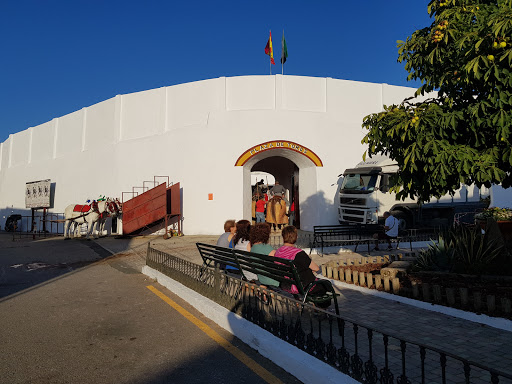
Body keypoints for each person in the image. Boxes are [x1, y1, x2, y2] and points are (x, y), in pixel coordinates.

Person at [274, 226, 328, 305]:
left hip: (285, 284)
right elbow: (316, 268)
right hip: (300, 287)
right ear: (296, 237)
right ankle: (321, 309)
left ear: (283, 237)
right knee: (325, 285)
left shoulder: (278, 252)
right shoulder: (298, 253)